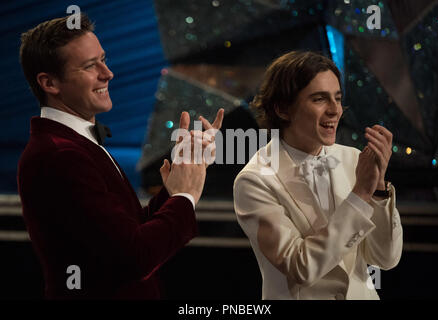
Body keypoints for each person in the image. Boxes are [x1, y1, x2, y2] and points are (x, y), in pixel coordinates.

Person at [17, 14, 223, 299]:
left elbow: (125, 234)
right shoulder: (59, 155)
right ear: (50, 83)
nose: (108, 73)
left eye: (103, 59)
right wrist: (184, 197)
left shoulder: (72, 144)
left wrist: (181, 181)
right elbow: (133, 258)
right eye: (90, 66)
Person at [233, 51, 403, 300]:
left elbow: (386, 259)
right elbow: (301, 267)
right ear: (282, 108)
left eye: (338, 98)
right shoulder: (254, 181)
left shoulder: (355, 159)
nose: (335, 110)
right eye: (319, 99)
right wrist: (360, 195)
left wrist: (377, 188)